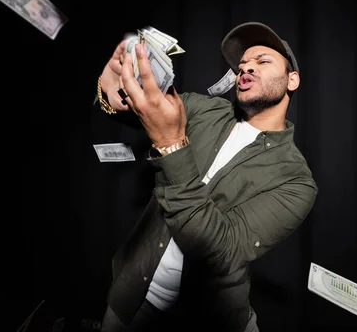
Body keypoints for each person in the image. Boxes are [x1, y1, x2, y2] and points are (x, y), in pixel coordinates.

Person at [95, 22, 318, 332]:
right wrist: (113, 90)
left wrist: (171, 145)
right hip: (132, 296)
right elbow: (141, 108)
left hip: (206, 319)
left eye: (262, 61)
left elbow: (220, 250)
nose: (246, 69)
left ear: (292, 80)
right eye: (242, 66)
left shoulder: (296, 182)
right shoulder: (202, 109)